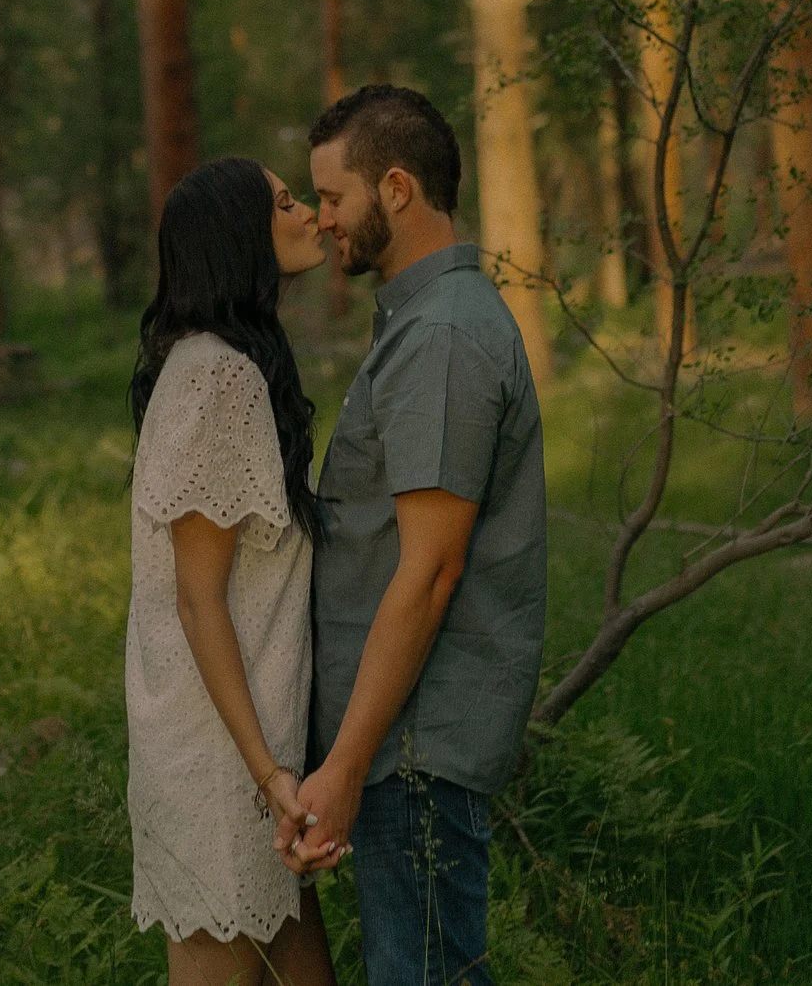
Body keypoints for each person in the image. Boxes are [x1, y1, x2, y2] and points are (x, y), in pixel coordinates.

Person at [282, 85, 549, 986]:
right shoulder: (421, 321)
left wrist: (349, 762)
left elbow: (430, 569)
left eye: (332, 196)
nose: (321, 221)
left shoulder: (443, 337)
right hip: (399, 740)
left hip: (411, 747)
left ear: (395, 187)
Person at [124, 155, 339, 986]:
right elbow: (197, 599)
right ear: (240, 235)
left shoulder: (221, 363)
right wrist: (269, 774)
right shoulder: (218, 377)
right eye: (286, 202)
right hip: (227, 766)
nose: (310, 213)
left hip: (249, 759)